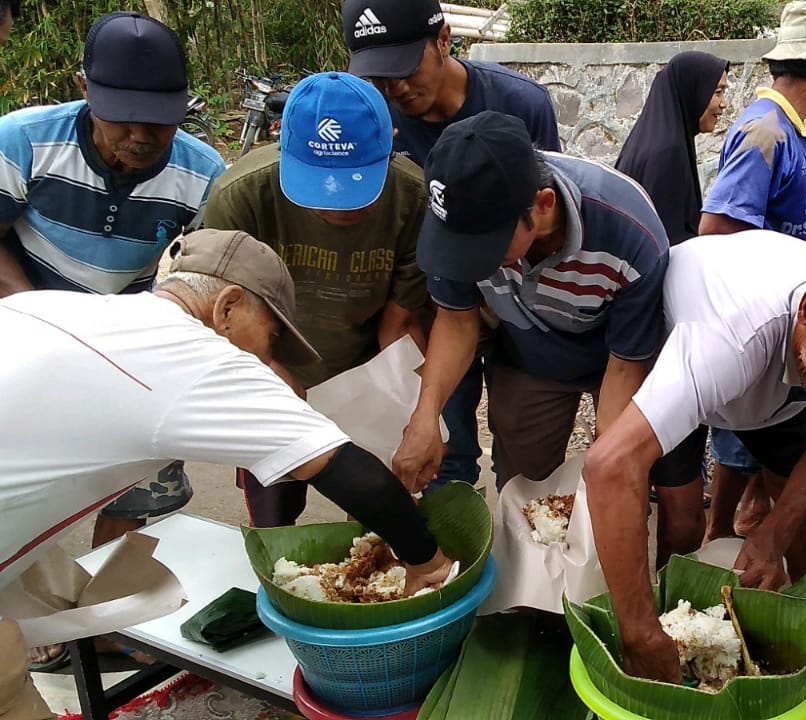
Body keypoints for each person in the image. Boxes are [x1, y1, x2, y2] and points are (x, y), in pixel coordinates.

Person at [0, 229, 454, 720]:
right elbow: (349, 471)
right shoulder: (196, 356)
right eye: (272, 336)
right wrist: (427, 564)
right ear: (228, 307)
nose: (266, 359)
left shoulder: (62, 307)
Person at [584, 232, 806, 682]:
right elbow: (608, 465)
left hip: (785, 383)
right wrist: (639, 633)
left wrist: (773, 534)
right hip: (678, 346)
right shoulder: (729, 340)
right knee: (681, 523)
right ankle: (663, 624)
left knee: (800, 530)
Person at [0, 12, 225, 670]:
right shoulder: (21, 141)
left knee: (140, 481)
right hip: (26, 335)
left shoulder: (202, 174)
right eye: (121, 116)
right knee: (19, 484)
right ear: (83, 88)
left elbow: (195, 281)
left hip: (131, 350)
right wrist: (26, 307)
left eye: (159, 120)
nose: (140, 135)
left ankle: (101, 620)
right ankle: (26, 621)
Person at [396, 111, 689, 552]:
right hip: (530, 352)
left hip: (616, 354)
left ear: (543, 205)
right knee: (527, 490)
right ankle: (531, 601)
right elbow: (456, 320)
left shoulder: (631, 233)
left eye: (486, 249)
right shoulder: (457, 216)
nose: (472, 264)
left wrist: (607, 457)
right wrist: (425, 417)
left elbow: (626, 364)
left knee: (617, 477)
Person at [342, 0, 561, 491]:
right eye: (380, 76)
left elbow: (545, 222)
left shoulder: (521, 105)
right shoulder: (377, 122)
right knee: (441, 447)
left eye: (404, 68)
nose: (396, 89)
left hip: (519, 306)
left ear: (442, 38)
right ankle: (449, 560)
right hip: (431, 306)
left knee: (524, 461)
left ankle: (518, 555)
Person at [203, 72, 430, 527]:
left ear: (392, 145)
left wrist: (406, 412)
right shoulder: (240, 196)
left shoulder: (413, 197)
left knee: (382, 520)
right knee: (273, 523)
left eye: (356, 187)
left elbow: (400, 325)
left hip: (365, 374)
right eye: (318, 187)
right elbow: (217, 321)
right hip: (267, 374)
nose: (337, 207)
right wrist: (275, 377)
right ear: (280, 147)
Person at [699, 0, 806, 545]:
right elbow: (718, 232)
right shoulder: (765, 132)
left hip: (777, 320)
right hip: (760, 321)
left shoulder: (784, 128)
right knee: (769, 447)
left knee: (749, 442)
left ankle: (728, 530)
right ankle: (734, 537)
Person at [615, 51, 729, 246]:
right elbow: (668, 242)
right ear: (692, 90)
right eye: (717, 92)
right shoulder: (668, 153)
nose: (723, 104)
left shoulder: (654, 138)